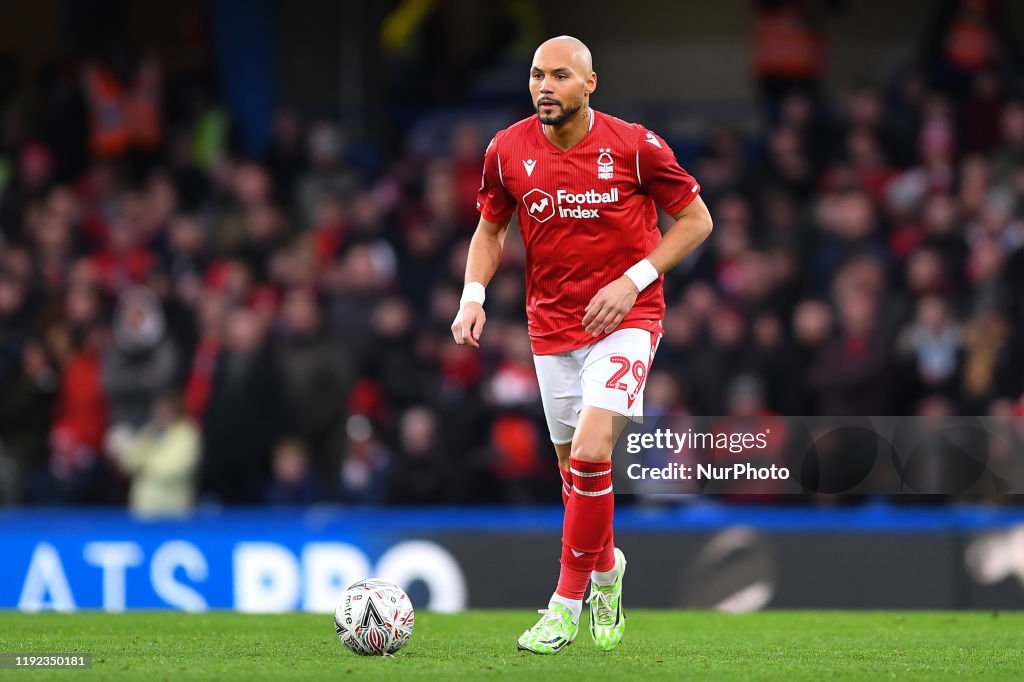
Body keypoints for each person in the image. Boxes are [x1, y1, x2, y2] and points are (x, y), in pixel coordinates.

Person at [451, 36, 712, 654]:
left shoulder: (635, 146)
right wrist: (472, 296)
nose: (545, 87)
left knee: (594, 452)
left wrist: (634, 280)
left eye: (560, 76)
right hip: (551, 327)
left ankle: (565, 606)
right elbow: (491, 229)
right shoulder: (507, 149)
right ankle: (606, 570)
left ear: (590, 84)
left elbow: (698, 220)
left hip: (627, 318)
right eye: (537, 76)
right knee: (576, 476)